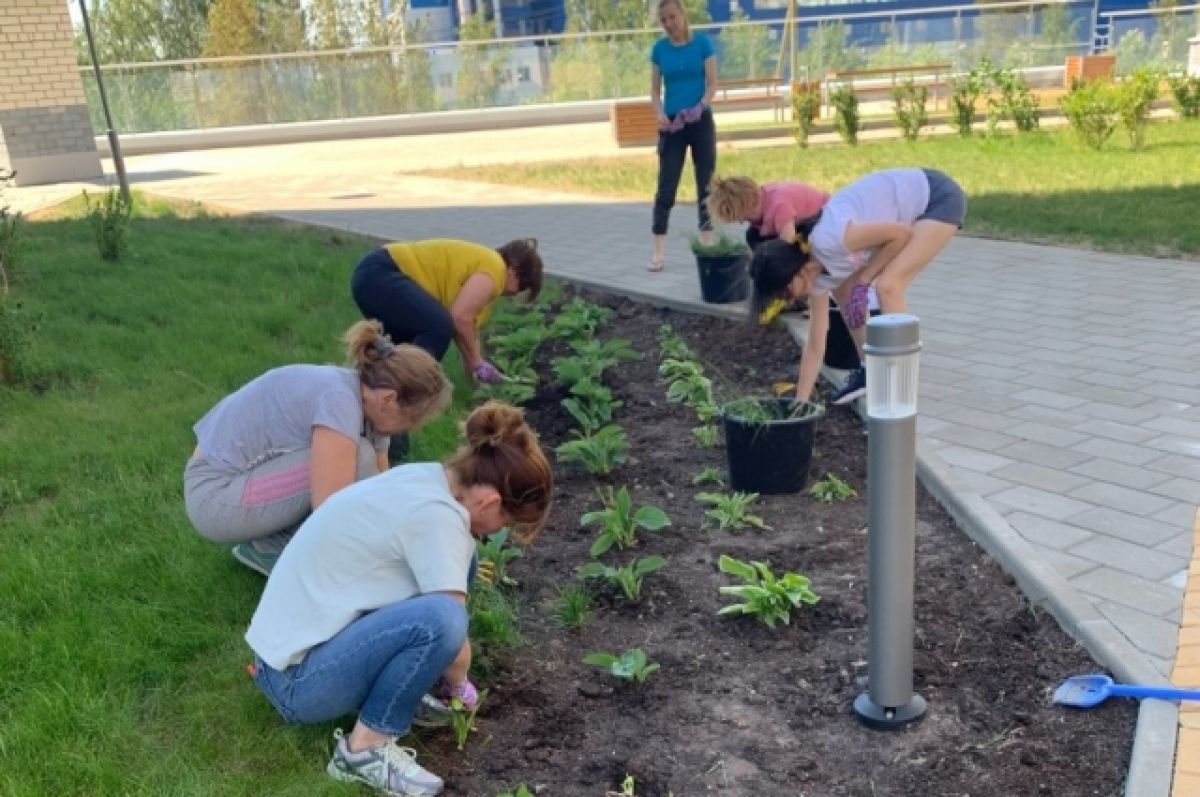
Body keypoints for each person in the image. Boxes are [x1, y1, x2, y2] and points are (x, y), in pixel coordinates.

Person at [245, 401, 553, 797]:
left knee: (462, 567)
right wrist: (460, 687)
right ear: (490, 502)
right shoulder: (438, 519)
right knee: (441, 620)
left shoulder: (427, 479)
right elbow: (451, 634)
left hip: (286, 654)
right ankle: (363, 751)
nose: (500, 532)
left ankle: (402, 690)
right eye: (506, 523)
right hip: (297, 683)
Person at [184, 320, 452, 576]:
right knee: (359, 459)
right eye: (413, 419)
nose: (412, 429)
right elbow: (331, 508)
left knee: (363, 464)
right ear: (388, 399)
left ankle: (273, 543)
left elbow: (382, 485)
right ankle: (278, 550)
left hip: (244, 484)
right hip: (215, 498)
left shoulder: (368, 402)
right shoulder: (338, 401)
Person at [746, 167, 966, 405]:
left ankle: (899, 391)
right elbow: (816, 344)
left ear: (792, 273)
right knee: (847, 295)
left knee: (888, 286)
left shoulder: (829, 239)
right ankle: (871, 368)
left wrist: (864, 279)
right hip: (905, 209)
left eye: (784, 292)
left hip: (934, 196)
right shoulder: (817, 279)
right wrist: (801, 403)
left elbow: (900, 235)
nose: (788, 300)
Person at [350, 238, 543, 383]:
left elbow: (466, 333)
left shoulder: (485, 279)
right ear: (514, 269)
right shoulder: (495, 268)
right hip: (381, 272)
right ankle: (411, 388)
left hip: (372, 276)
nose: (515, 293)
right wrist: (477, 362)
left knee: (400, 354)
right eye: (522, 286)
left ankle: (379, 391)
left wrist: (478, 379)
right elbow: (459, 318)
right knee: (438, 326)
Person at [649, 0, 717, 273]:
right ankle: (658, 253)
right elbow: (655, 91)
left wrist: (701, 106)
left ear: (682, 15)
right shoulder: (659, 50)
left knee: (706, 183)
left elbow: (713, 83)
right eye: (663, 20)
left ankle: (707, 246)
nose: (668, 24)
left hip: (700, 121)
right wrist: (660, 114)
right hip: (673, 126)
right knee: (666, 187)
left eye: (672, 17)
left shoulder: (702, 44)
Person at [707, 174, 831, 251]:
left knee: (784, 252)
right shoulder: (762, 199)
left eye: (742, 217)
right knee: (753, 236)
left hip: (826, 219)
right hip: (801, 224)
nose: (741, 222)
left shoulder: (779, 206)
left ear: (748, 204)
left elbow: (789, 244)